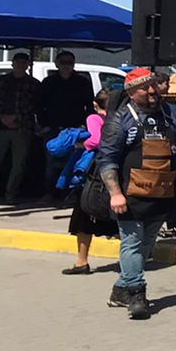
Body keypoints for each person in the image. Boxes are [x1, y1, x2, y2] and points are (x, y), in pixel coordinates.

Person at [94, 69, 176, 320]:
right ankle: (136, 293)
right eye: (144, 88)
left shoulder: (172, 114)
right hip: (130, 194)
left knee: (146, 243)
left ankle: (120, 289)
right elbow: (107, 159)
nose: (151, 91)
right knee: (132, 242)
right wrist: (115, 193)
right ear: (130, 93)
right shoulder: (120, 120)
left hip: (162, 190)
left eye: (153, 86)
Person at [64, 88, 120, 275]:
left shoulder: (94, 118)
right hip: (115, 171)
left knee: (83, 216)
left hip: (94, 174)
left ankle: (82, 261)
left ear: (95, 104)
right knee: (117, 218)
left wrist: (82, 144)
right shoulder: (120, 119)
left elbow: (95, 140)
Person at [39, 50, 95, 199]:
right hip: (53, 128)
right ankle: (50, 193)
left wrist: (86, 126)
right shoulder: (48, 82)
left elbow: (89, 106)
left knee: (73, 162)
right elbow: (39, 105)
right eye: (63, 62)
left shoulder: (82, 82)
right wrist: (43, 125)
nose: (66, 66)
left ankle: (69, 195)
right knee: (51, 163)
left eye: (70, 62)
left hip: (76, 129)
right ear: (57, 64)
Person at [0, 51, 40, 204]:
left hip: (23, 128)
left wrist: (15, 117)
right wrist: (1, 116)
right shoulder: (0, 81)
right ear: (12, 63)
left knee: (18, 165)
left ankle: (10, 194)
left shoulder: (33, 84)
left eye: (23, 62)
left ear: (28, 65)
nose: (20, 65)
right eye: (18, 62)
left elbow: (35, 106)